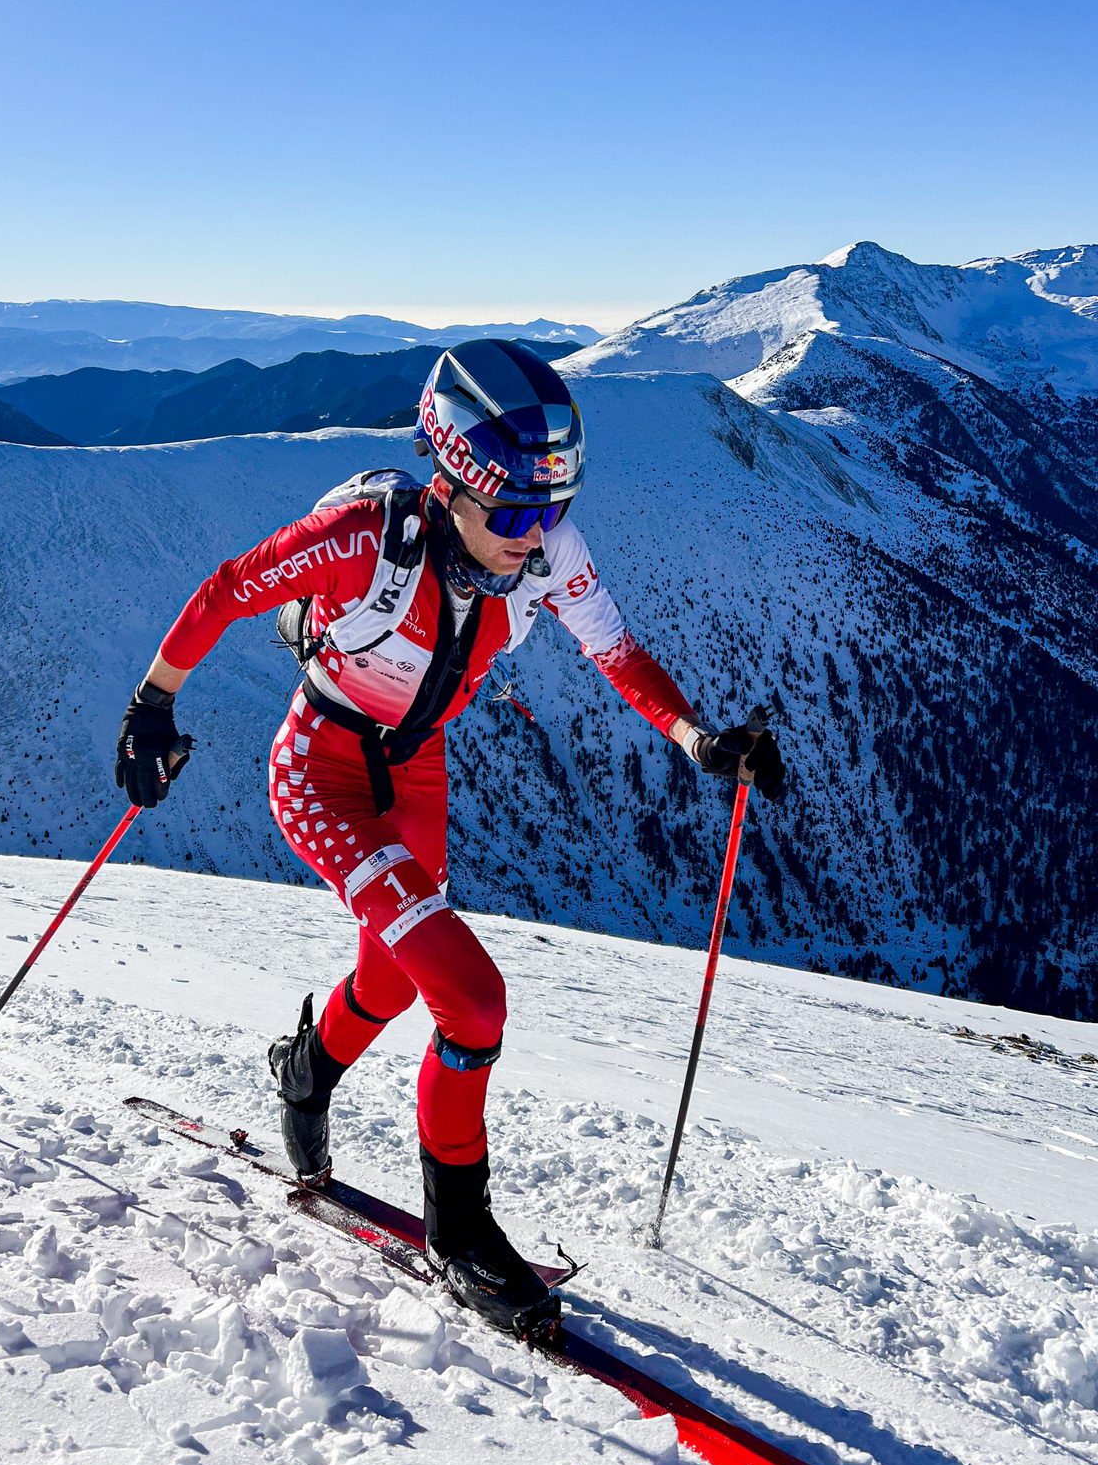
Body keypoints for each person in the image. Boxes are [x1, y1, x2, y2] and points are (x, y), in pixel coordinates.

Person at [115, 339, 784, 1332]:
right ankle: (459, 1230)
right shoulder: (360, 540)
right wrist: (151, 708)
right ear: (451, 484)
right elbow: (225, 588)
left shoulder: (543, 549)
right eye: (513, 513)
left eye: (549, 509)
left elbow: (617, 652)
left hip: (413, 767)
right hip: (322, 775)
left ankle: (307, 1072)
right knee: (471, 999)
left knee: (391, 978)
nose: (534, 535)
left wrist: (698, 740)